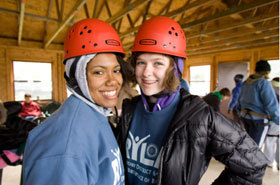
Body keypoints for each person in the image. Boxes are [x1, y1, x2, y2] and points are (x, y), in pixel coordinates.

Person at [116, 16, 267, 185]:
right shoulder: (130, 109)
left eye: (158, 63)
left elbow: (253, 166)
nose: (146, 72)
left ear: (175, 70)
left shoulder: (199, 116)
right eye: (141, 62)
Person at [23, 18, 127, 185]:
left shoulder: (95, 114)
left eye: (116, 70)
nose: (112, 81)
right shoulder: (65, 146)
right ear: (78, 76)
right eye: (98, 72)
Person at [237, 60, 279, 148]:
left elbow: (239, 101)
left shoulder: (246, 82)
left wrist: (239, 114)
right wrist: (278, 120)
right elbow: (271, 104)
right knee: (255, 149)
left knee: (248, 145)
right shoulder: (263, 83)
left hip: (246, 118)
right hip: (259, 120)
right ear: (267, 71)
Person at [263, 77, 279, 169]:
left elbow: (271, 108)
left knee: (270, 140)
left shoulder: (273, 93)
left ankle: (269, 162)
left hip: (274, 120)